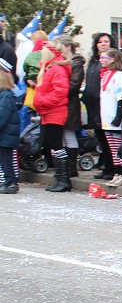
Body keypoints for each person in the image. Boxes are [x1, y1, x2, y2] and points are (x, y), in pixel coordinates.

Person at [33, 38, 73, 193]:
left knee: (56, 145)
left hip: (54, 111)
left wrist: (41, 101)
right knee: (54, 145)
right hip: (48, 112)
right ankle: (60, 178)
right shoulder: (52, 68)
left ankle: (63, 179)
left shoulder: (57, 69)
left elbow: (60, 92)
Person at [84, 33, 117, 180]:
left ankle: (111, 168)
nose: (103, 44)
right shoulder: (93, 61)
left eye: (106, 41)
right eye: (100, 42)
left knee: (108, 139)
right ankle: (105, 166)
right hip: (92, 105)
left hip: (103, 105)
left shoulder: (111, 64)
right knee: (100, 138)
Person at [99, 48, 122, 187]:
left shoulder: (119, 76)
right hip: (106, 118)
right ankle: (117, 172)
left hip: (115, 118)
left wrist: (118, 116)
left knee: (119, 147)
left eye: (104, 57)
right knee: (112, 147)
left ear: (113, 59)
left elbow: (121, 97)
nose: (101, 60)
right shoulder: (106, 75)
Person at [60, 37, 85, 177]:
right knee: (63, 135)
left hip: (70, 103)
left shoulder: (76, 63)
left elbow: (74, 84)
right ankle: (65, 166)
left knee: (69, 134)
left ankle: (71, 167)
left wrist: (59, 92)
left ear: (67, 46)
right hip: (63, 102)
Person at [0, 59, 20, 193]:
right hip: (5, 135)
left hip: (6, 135)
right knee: (4, 160)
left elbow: (2, 117)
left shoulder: (6, 96)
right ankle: (8, 182)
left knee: (7, 161)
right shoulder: (4, 95)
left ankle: (11, 183)